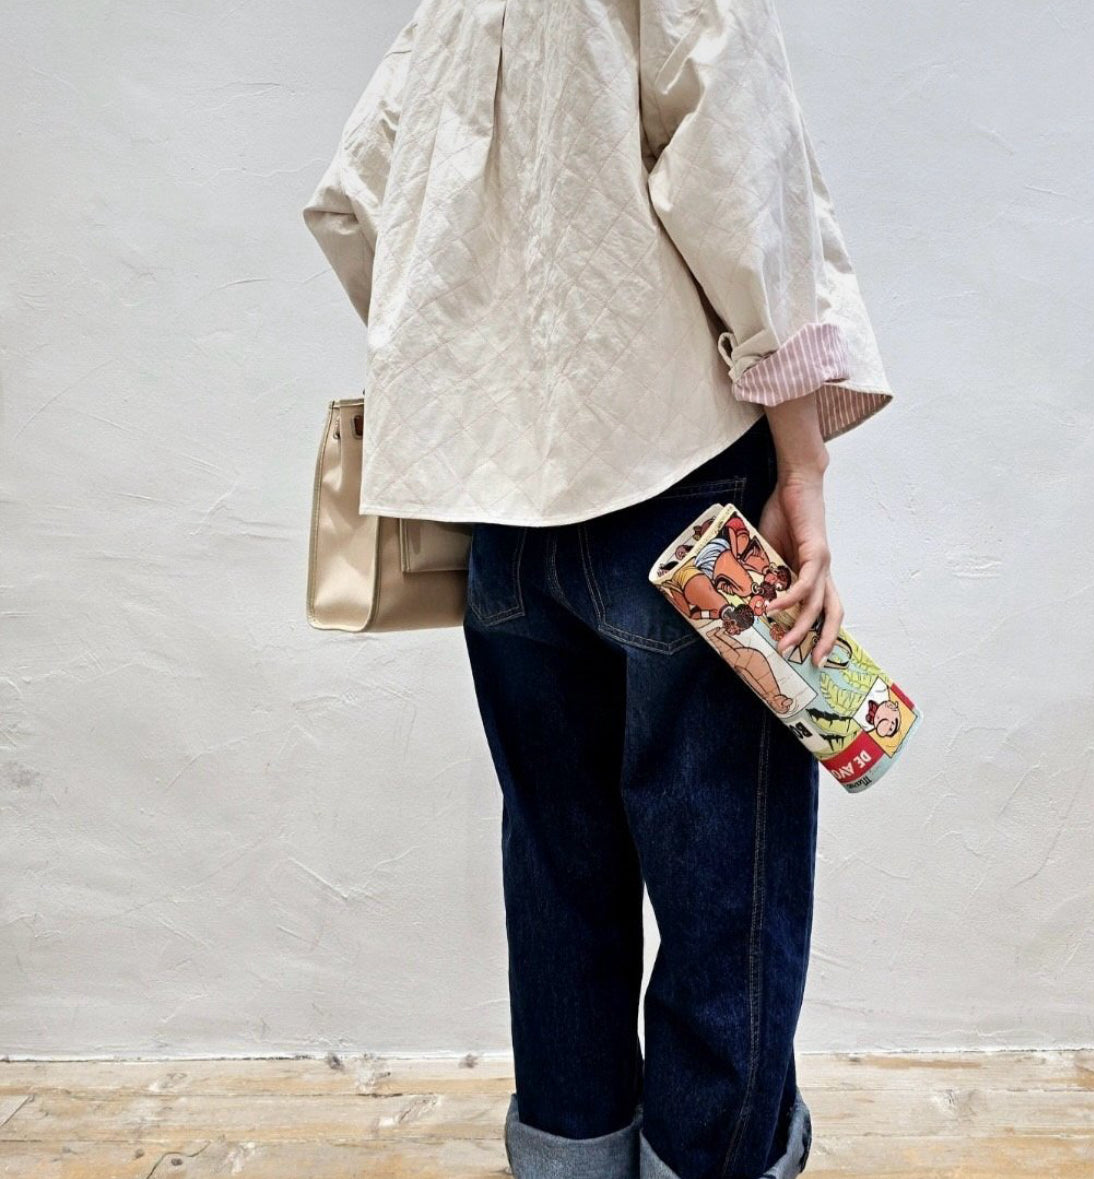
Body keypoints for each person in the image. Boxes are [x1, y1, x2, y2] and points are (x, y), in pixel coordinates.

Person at [303, 1, 896, 1176]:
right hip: (680, 484)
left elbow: (353, 202)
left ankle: (570, 1156)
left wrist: (489, 381)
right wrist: (803, 464)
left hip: (505, 525)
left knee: (559, 863)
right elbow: (744, 182)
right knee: (728, 872)